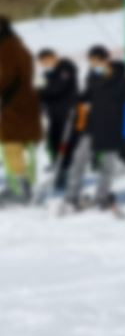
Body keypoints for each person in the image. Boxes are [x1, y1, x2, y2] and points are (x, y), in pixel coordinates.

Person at [64, 45, 125, 211]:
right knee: (79, 159)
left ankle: (103, 196)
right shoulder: (92, 76)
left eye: (96, 61)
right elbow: (88, 94)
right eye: (91, 62)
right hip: (93, 125)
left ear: (106, 59)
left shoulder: (122, 77)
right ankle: (72, 196)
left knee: (108, 165)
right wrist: (75, 98)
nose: (93, 65)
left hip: (111, 126)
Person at [0, 17, 43, 204]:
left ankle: (18, 190)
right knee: (24, 148)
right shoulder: (20, 47)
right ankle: (27, 186)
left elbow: (5, 77)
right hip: (26, 104)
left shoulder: (6, 49)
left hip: (13, 107)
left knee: (12, 147)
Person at [36, 48, 79, 177]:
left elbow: (57, 88)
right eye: (42, 63)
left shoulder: (66, 69)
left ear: (54, 57)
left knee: (65, 141)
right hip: (53, 113)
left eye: (46, 61)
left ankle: (66, 168)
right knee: (53, 140)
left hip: (67, 111)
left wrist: (42, 90)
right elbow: (38, 91)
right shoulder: (45, 74)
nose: (44, 65)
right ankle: (58, 164)